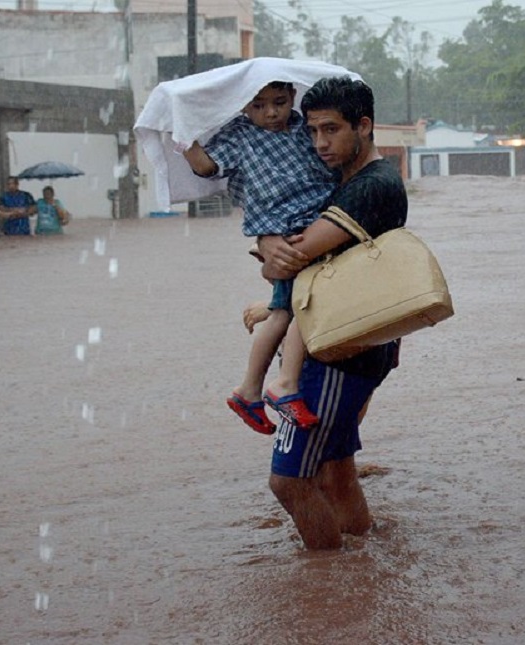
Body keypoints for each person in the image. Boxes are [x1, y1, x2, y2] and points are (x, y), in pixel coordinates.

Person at [256, 77, 407, 550]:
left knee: (289, 481)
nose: (320, 143)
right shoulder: (347, 180)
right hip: (352, 342)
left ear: (364, 126)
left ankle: (327, 581)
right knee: (334, 470)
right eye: (313, 131)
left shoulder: (371, 187)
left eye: (331, 130)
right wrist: (271, 248)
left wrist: (267, 245)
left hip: (338, 354)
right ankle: (361, 564)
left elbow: (294, 255)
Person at [181, 80, 336, 435]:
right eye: (258, 106)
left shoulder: (302, 128)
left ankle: (251, 390)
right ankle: (282, 384)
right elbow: (206, 166)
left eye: (279, 103)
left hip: (312, 224)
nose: (270, 113)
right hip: (287, 234)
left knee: (284, 311)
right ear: (241, 107)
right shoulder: (238, 136)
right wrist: (184, 139)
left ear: (292, 99)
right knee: (300, 308)